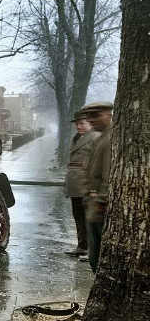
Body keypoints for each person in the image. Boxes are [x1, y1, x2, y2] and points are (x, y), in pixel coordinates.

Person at [80, 101, 113, 273]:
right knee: (95, 253)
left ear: (108, 114)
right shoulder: (100, 137)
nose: (91, 120)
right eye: (89, 116)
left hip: (101, 205)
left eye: (96, 115)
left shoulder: (109, 139)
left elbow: (108, 174)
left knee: (99, 254)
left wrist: (101, 200)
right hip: (94, 202)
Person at [64, 110, 99, 260]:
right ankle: (82, 246)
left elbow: (98, 163)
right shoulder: (77, 138)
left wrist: (94, 186)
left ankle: (92, 251)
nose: (79, 126)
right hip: (75, 184)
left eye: (82, 123)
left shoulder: (95, 138)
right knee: (78, 216)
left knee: (89, 218)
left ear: (90, 123)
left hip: (86, 183)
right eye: (77, 124)